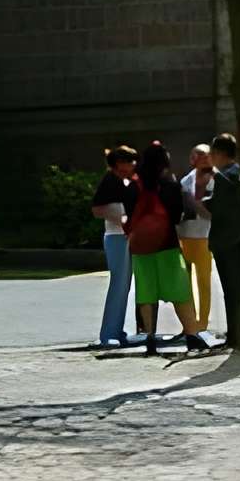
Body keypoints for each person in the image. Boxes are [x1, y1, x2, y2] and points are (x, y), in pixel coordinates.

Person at [126, 140, 206, 355]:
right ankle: (192, 336)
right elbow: (176, 215)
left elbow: (129, 213)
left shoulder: (134, 185)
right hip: (167, 244)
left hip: (141, 247)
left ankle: (150, 339)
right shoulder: (170, 184)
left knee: (146, 292)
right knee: (180, 290)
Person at [89, 144, 138, 348]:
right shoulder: (110, 180)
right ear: (120, 164)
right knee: (118, 284)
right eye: (129, 162)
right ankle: (108, 333)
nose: (133, 165)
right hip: (117, 236)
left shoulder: (124, 181)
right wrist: (122, 219)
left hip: (125, 235)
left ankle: (117, 330)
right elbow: (97, 209)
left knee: (124, 286)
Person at [206, 133, 240, 347]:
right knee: (238, 289)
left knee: (232, 291)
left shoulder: (224, 177)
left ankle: (236, 335)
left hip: (227, 241)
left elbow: (221, 209)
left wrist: (202, 204)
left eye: (213, 154)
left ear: (220, 154)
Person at [178, 141, 219, 335]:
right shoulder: (186, 180)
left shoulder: (217, 179)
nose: (201, 159)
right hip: (185, 235)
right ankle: (191, 322)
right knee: (185, 282)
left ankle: (203, 321)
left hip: (205, 235)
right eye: (197, 156)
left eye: (205, 155)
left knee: (204, 280)